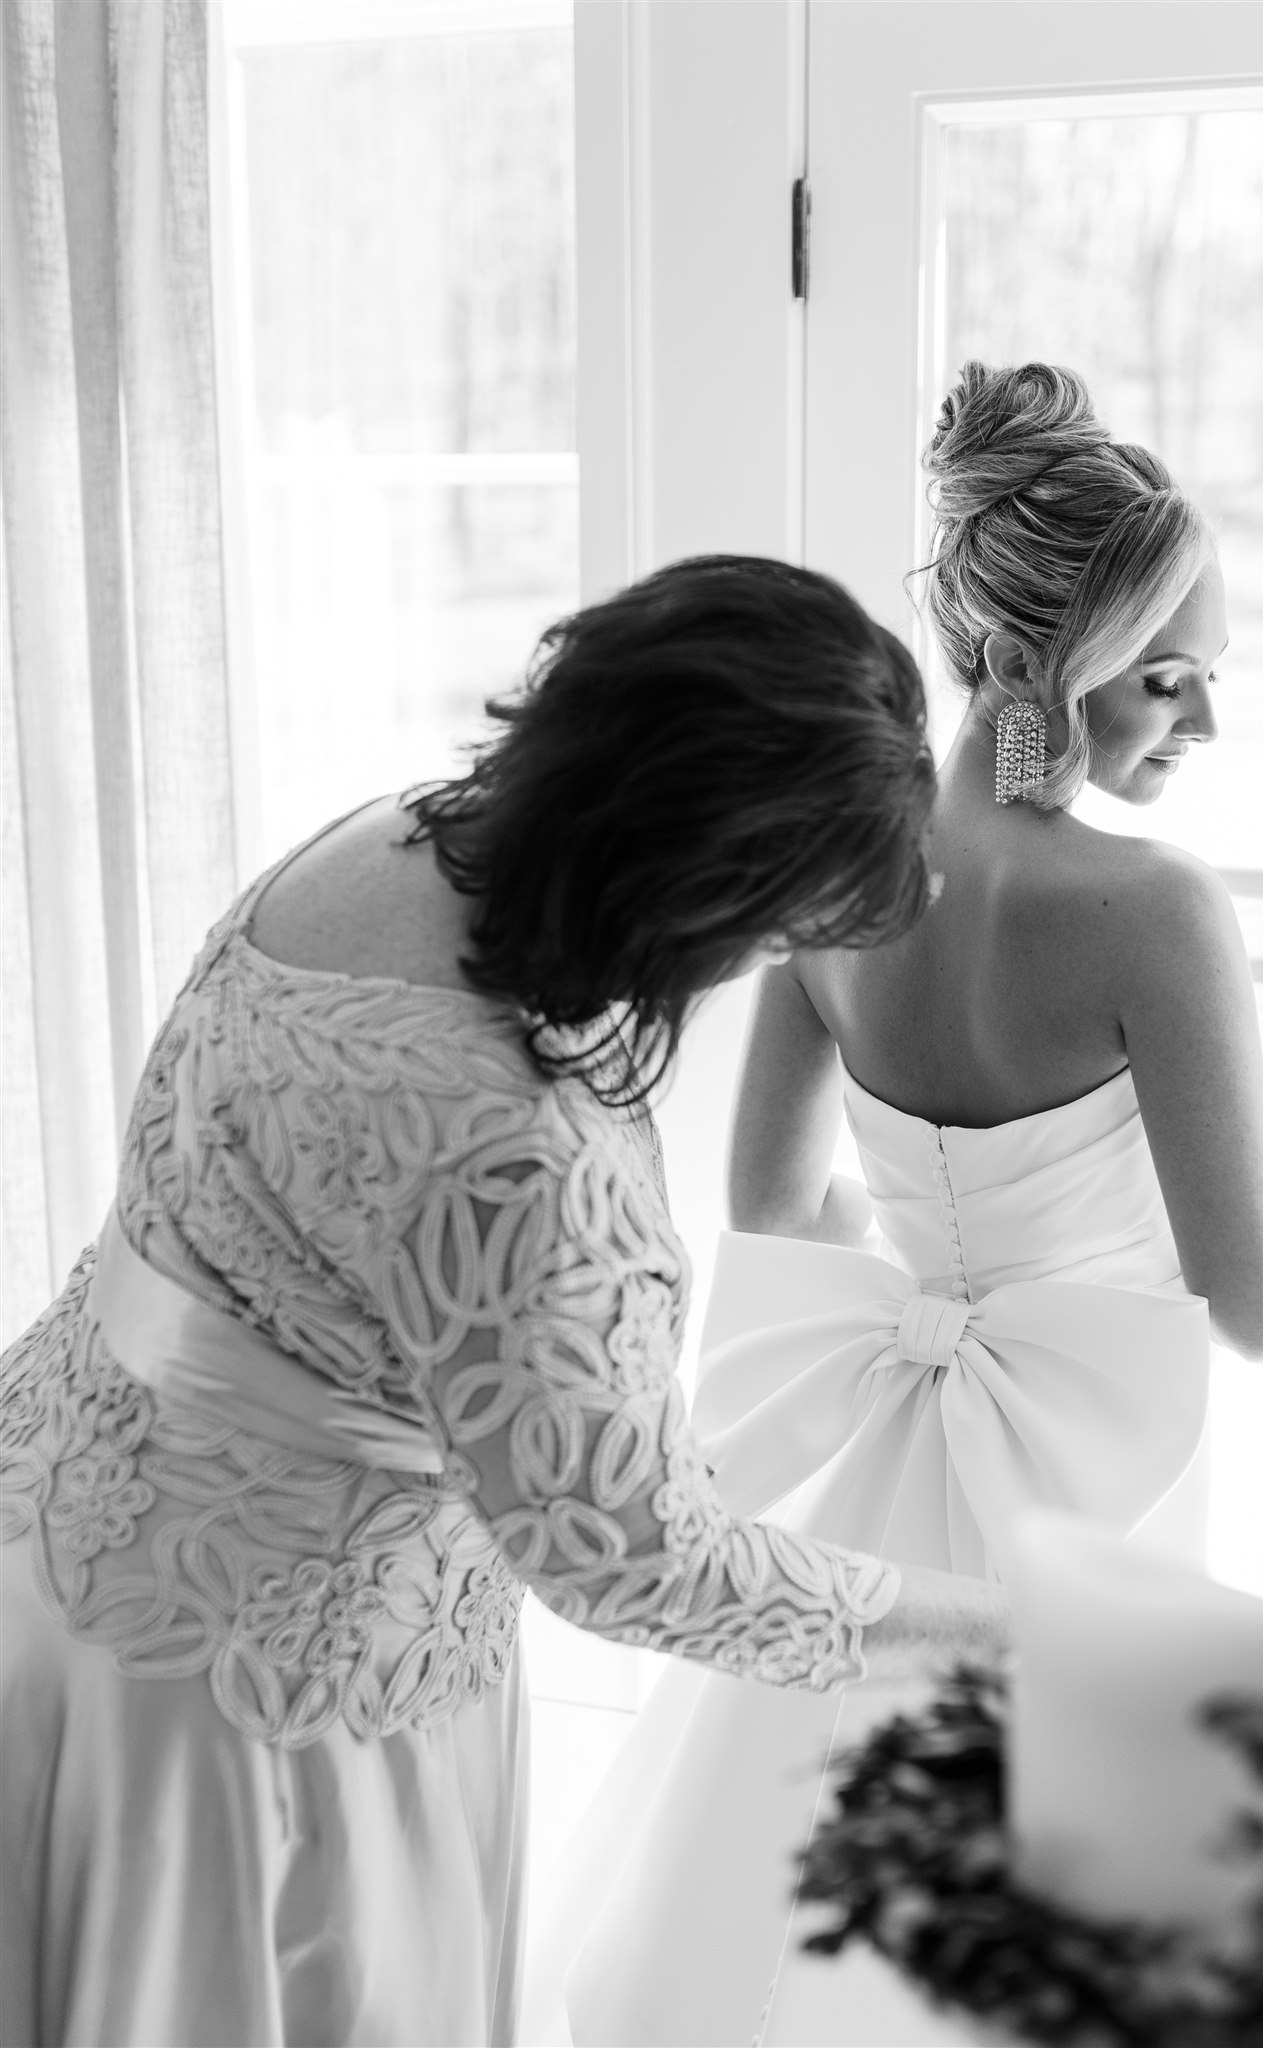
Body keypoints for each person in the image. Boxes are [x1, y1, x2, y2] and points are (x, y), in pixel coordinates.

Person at [0, 555, 1017, 2048]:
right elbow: (635, 1562)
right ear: (698, 886)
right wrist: (1007, 1623)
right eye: (783, 928)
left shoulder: (381, 841)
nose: (771, 964)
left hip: (51, 1542)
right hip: (261, 1712)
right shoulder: (528, 1150)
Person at [555, 366, 1263, 2047]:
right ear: (1043, 666)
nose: (1203, 727)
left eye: (1211, 680)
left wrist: (936, 1292)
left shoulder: (840, 866)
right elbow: (1257, 1306)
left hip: (883, 1473)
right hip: (1124, 1487)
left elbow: (775, 1203)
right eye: (1170, 681)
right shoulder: (1154, 912)